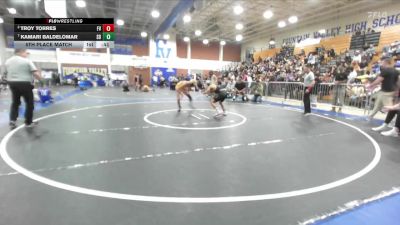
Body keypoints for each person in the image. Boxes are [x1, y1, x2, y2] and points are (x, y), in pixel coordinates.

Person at [5, 49, 42, 129]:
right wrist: (40, 79)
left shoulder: (7, 61)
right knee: (29, 103)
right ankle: (28, 122)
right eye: (26, 53)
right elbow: (35, 73)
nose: (27, 54)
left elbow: (6, 73)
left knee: (15, 102)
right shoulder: (27, 61)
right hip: (25, 83)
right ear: (20, 52)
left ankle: (12, 120)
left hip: (12, 83)